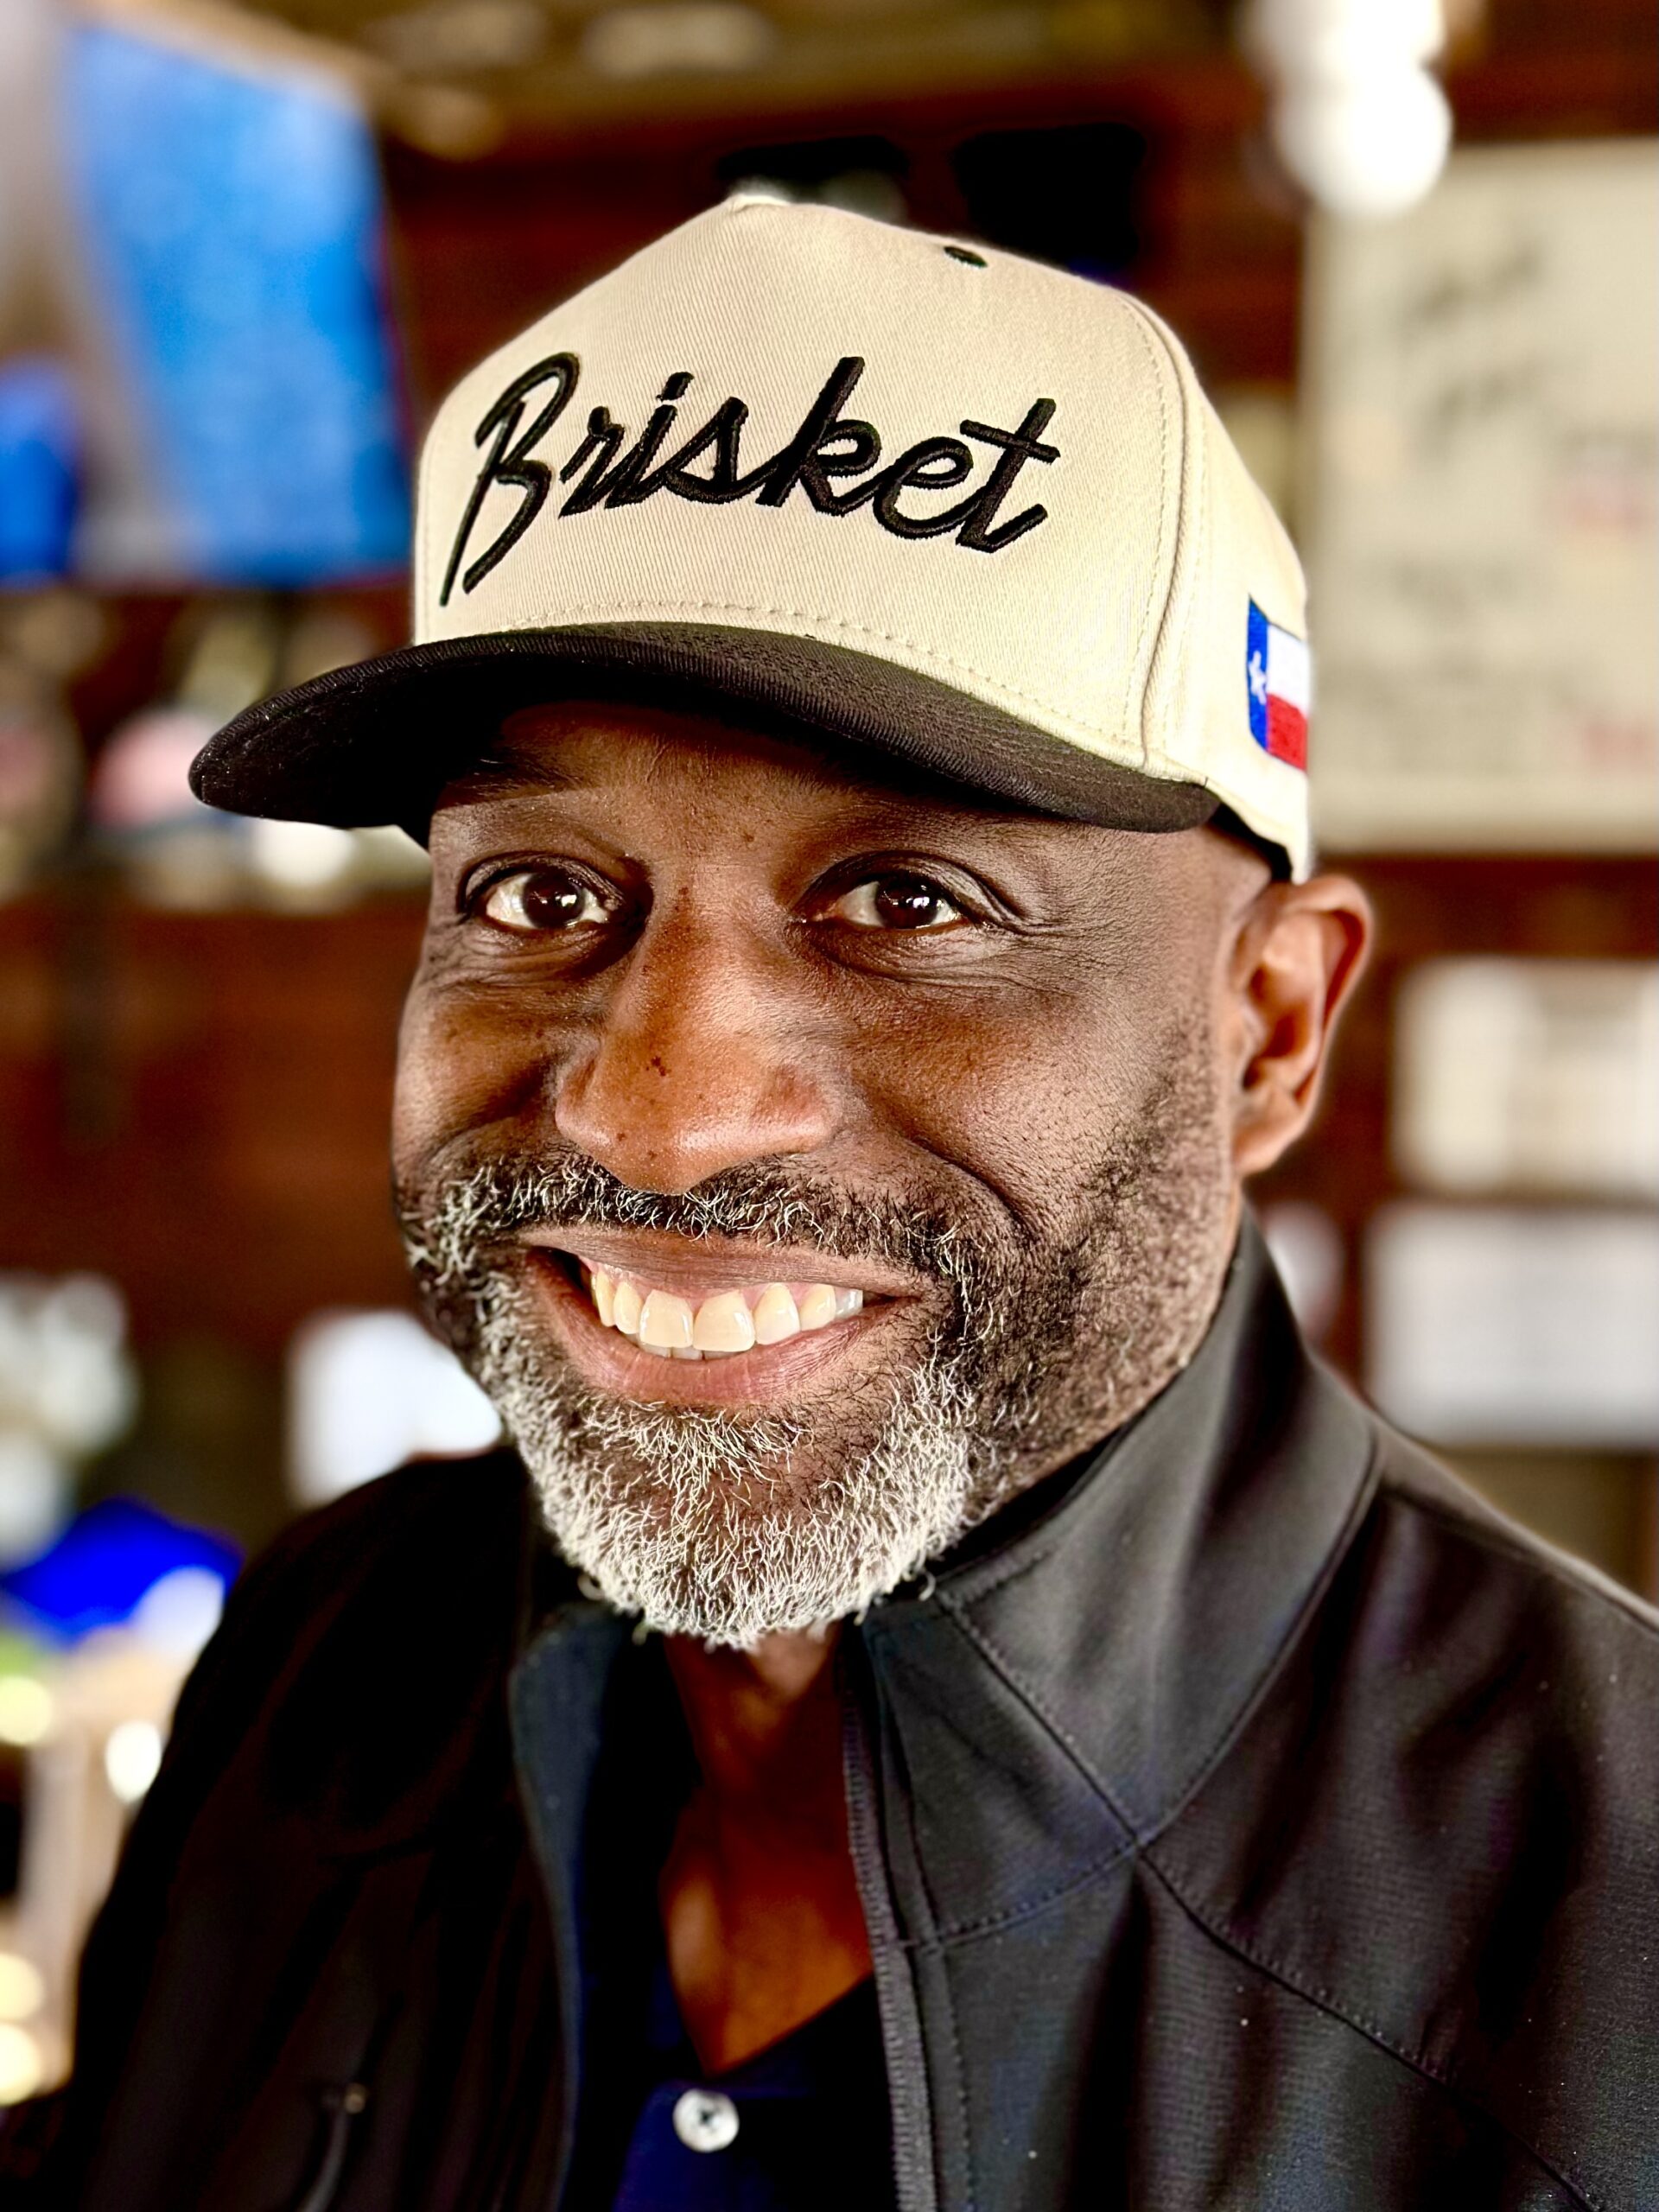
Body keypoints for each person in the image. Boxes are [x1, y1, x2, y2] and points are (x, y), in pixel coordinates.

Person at [10, 199, 1656, 2212]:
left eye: (907, 899)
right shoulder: (331, 1659)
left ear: (1269, 1026)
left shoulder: (1617, 1936)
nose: (662, 1116)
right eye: (539, 892)